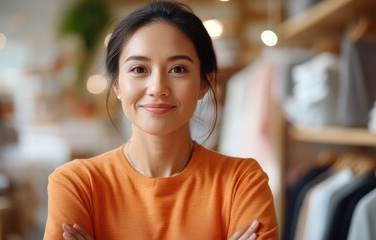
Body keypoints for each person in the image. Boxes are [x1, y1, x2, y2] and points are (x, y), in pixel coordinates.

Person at [43, 1, 279, 239]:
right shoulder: (77, 184)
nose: (157, 88)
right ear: (116, 83)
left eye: (178, 69)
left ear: (204, 84)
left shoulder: (242, 182)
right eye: (139, 69)